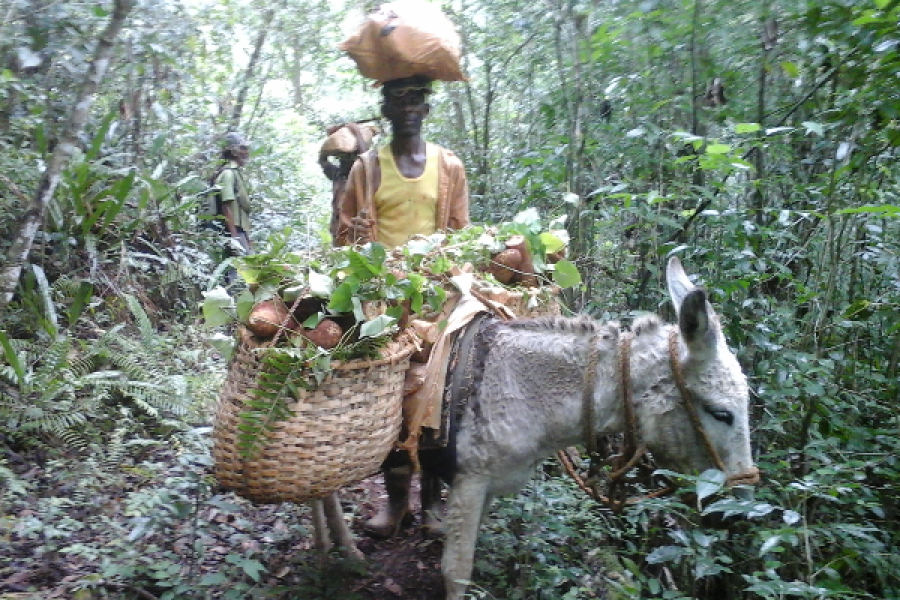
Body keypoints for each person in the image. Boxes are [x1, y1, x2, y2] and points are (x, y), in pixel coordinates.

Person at [334, 75, 470, 538]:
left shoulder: (448, 166)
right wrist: (358, 238)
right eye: (399, 99)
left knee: (433, 402)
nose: (409, 107)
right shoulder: (366, 169)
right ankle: (395, 505)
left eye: (418, 99)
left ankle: (431, 503)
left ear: (427, 109)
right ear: (386, 108)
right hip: (382, 305)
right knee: (389, 402)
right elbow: (343, 235)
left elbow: (461, 234)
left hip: (434, 303)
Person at [205, 131, 253, 256]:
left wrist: (247, 239)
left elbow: (240, 210)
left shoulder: (236, 173)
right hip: (232, 231)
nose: (246, 152)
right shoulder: (228, 174)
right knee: (239, 269)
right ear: (234, 152)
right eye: (243, 148)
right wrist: (235, 239)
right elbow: (226, 206)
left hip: (238, 230)